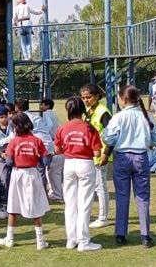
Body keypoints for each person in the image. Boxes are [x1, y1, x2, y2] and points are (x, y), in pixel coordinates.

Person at [101, 85, 156, 248]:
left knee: (122, 196)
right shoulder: (146, 116)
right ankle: (145, 235)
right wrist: (146, 142)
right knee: (143, 197)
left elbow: (109, 138)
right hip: (141, 157)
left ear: (123, 99)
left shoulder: (118, 117)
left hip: (122, 157)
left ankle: (120, 234)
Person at [54, 97, 103, 251]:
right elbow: (96, 151)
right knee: (84, 203)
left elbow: (57, 150)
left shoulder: (63, 128)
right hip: (85, 164)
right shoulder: (89, 128)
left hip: (69, 164)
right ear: (82, 110)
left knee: (70, 204)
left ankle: (71, 239)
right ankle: (84, 241)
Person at [0, 112, 50, 250]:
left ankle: (10, 239)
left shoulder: (14, 142)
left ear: (15, 127)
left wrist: (5, 155)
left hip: (17, 174)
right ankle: (40, 241)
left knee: (13, 207)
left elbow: (8, 162)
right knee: (35, 206)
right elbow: (44, 161)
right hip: (32, 174)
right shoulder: (37, 141)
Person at [80, 84, 112, 229]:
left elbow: (111, 135)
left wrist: (106, 154)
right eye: (83, 98)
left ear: (97, 96)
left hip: (100, 155)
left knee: (100, 187)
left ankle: (103, 217)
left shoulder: (103, 112)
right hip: (89, 155)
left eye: (89, 97)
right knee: (92, 186)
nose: (86, 100)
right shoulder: (87, 111)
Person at [15, 99, 54, 193]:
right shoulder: (35, 116)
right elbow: (50, 126)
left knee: (39, 171)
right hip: (47, 143)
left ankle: (39, 193)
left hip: (37, 145)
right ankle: (43, 193)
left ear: (17, 107)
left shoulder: (22, 118)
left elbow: (16, 135)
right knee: (42, 171)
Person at [40, 98, 64, 202]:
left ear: (46, 105)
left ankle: (57, 194)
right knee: (53, 171)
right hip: (57, 143)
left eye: (42, 105)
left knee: (53, 171)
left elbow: (48, 127)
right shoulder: (53, 114)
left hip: (53, 144)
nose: (40, 107)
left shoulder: (46, 114)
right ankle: (55, 192)